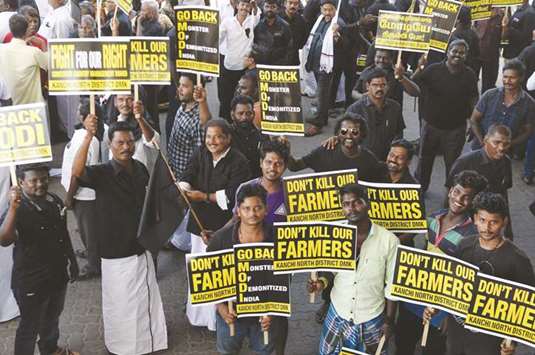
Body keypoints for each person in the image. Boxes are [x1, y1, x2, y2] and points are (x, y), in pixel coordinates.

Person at [72, 118, 168, 354]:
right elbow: (77, 171)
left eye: (129, 142)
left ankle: (148, 342)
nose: (126, 147)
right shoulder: (100, 173)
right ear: (109, 144)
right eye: (120, 143)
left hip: (141, 245)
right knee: (120, 302)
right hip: (114, 249)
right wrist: (87, 137)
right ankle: (121, 345)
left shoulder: (141, 169)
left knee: (144, 299)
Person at [425, 192, 535, 355]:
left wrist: (513, 341)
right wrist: (436, 306)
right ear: (475, 218)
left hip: (488, 341)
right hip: (457, 333)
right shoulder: (464, 245)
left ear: (504, 222)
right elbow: (450, 283)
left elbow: (527, 305)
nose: (487, 227)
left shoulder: (517, 260)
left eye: (494, 222)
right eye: (482, 220)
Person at [395, 170, 488, 355]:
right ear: (450, 190)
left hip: (441, 310)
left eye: (467, 197)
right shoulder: (433, 218)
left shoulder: (472, 236)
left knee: (432, 349)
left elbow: (466, 280)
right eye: (457, 192)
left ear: (474, 201)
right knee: (403, 342)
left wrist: (449, 315)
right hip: (415, 298)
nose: (459, 200)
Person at [308, 183, 399, 354]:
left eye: (357, 202)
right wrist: (320, 283)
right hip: (337, 313)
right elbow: (331, 270)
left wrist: (388, 321)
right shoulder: (335, 234)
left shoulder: (389, 241)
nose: (352, 208)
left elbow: (392, 287)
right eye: (346, 204)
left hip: (372, 318)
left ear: (368, 204)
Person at [0, 164, 79, 355]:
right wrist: (13, 208)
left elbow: (64, 234)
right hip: (31, 281)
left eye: (43, 179)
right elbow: (4, 239)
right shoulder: (17, 208)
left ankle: (50, 349)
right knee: (29, 327)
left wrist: (73, 262)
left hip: (57, 275)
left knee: (52, 318)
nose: (40, 184)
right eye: (33, 180)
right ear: (21, 182)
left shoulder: (55, 200)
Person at [179, 119, 251, 330]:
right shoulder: (200, 152)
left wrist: (203, 196)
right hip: (199, 222)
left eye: (218, 136)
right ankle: (199, 315)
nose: (212, 141)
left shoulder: (239, 161)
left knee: (221, 269)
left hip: (224, 225)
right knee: (200, 266)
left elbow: (234, 194)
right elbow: (188, 173)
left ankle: (219, 318)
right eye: (209, 136)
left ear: (228, 138)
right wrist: (183, 187)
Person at [207, 184, 279, 354]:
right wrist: (221, 308)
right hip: (231, 315)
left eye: (257, 208)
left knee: (265, 351)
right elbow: (208, 277)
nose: (252, 214)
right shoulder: (220, 239)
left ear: (266, 210)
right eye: (246, 208)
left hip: (264, 315)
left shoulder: (278, 238)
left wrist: (273, 312)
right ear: (238, 211)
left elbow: (284, 278)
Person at [412, 39, 479, 192]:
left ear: (466, 56)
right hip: (431, 126)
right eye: (454, 51)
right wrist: (420, 67)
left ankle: (451, 195)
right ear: (447, 52)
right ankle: (419, 190)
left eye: (462, 53)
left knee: (453, 165)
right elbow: (414, 83)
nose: (457, 55)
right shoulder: (433, 69)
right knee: (424, 161)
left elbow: (473, 98)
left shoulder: (470, 75)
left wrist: (473, 121)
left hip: (456, 129)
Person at [61, 98, 104, 280]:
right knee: (85, 228)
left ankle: (94, 265)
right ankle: (91, 252)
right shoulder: (81, 134)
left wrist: (70, 196)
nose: (77, 113)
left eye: (79, 110)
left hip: (84, 194)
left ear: (86, 116)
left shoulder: (90, 140)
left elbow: (77, 173)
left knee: (89, 231)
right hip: (79, 192)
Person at [447, 124, 514, 239]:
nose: (501, 148)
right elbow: (449, 192)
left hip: (487, 224)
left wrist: (508, 226)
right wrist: (447, 223)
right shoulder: (465, 161)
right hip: (464, 221)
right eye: (496, 142)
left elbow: (503, 194)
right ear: (485, 140)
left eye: (506, 144)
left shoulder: (506, 163)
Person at [286, 113, 385, 182]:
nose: (349, 136)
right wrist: (286, 150)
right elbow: (295, 166)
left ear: (362, 135)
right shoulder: (325, 151)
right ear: (337, 134)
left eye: (354, 132)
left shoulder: (369, 160)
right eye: (343, 132)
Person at [470, 59, 535, 151]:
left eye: (512, 78)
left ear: (521, 78)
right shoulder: (490, 95)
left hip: (505, 153)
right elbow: (474, 120)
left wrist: (509, 144)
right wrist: (482, 141)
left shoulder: (529, 103)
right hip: (479, 149)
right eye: (505, 77)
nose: (507, 81)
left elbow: (528, 131)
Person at [303, 0, 346, 136]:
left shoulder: (339, 23)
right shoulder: (319, 19)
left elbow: (344, 45)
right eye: (325, 9)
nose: (327, 13)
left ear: (335, 10)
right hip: (316, 61)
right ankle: (323, 117)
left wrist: (337, 37)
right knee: (322, 92)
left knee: (322, 93)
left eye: (330, 10)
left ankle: (318, 124)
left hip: (327, 64)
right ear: (321, 9)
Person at [346, 68, 405, 160]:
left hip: (387, 160)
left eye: (383, 85)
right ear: (367, 86)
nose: (379, 88)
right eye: (375, 85)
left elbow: (399, 134)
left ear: (387, 86)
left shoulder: (395, 107)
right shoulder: (355, 109)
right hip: (362, 159)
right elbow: (346, 138)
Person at [218, 0, 259, 121]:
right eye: (242, 5)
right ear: (237, 6)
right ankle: (226, 124)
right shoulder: (227, 22)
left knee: (243, 99)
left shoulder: (253, 21)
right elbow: (217, 39)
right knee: (226, 99)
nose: (244, 8)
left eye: (247, 6)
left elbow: (257, 15)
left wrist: (254, 7)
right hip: (229, 66)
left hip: (244, 68)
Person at [167, 73, 211, 179]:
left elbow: (205, 122)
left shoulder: (197, 118)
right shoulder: (182, 106)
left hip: (187, 178)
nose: (179, 89)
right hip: (174, 171)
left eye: (185, 86)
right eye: (180, 85)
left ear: (196, 90)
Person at [102, 93, 160, 171]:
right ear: (115, 102)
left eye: (129, 99)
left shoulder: (143, 122)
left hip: (139, 175)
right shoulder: (110, 123)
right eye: (121, 100)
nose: (125, 104)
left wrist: (140, 118)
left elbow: (154, 142)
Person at [0, 14, 47, 105]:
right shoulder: (34, 52)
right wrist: (43, 44)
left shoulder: (1, 49)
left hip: (11, 107)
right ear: (26, 30)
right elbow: (48, 66)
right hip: (34, 107)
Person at [353, 49, 420, 108]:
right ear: (374, 57)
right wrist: (364, 98)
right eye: (378, 57)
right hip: (368, 115)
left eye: (385, 58)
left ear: (391, 59)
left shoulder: (397, 73)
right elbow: (354, 92)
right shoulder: (367, 71)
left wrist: (402, 78)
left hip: (391, 116)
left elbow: (415, 92)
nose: (381, 60)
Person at [229, 95, 267, 178]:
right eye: (240, 113)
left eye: (248, 113)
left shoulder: (262, 136)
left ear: (253, 114)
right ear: (232, 115)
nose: (244, 117)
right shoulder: (225, 135)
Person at [253, 0, 293, 66]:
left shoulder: (285, 26)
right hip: (262, 65)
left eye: (273, 7)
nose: (269, 9)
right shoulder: (258, 25)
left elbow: (290, 49)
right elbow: (255, 45)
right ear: (263, 8)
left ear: (277, 9)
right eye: (267, 6)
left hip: (279, 66)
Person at [474, 8, 503, 93]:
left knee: (488, 85)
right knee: (471, 81)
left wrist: (505, 27)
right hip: (476, 53)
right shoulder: (479, 9)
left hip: (491, 55)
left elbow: (504, 38)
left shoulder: (502, 14)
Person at [280, 0, 307, 65]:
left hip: (294, 60)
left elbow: (303, 40)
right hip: (278, 61)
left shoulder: (301, 21)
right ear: (285, 4)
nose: (293, 6)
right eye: (290, 3)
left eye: (295, 4)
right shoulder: (277, 18)